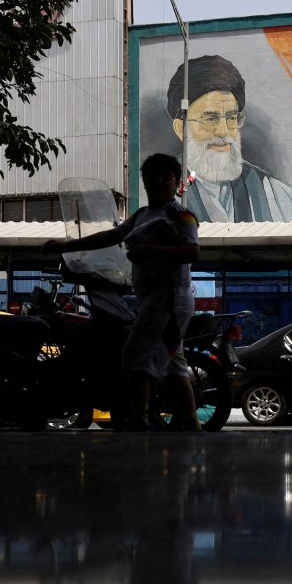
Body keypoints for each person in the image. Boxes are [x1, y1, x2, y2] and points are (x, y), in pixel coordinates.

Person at [43, 154, 202, 431]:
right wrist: (67, 246)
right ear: (145, 180)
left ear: (176, 183)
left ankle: (138, 421)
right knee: (173, 364)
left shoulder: (182, 216)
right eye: (153, 176)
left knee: (134, 356)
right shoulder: (141, 215)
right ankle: (190, 423)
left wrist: (150, 251)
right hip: (155, 299)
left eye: (166, 177)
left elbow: (193, 251)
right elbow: (112, 236)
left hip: (168, 300)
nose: (159, 182)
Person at [166, 55, 292, 223]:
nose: (223, 131)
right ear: (180, 128)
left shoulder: (280, 197)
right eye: (210, 119)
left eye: (231, 118)